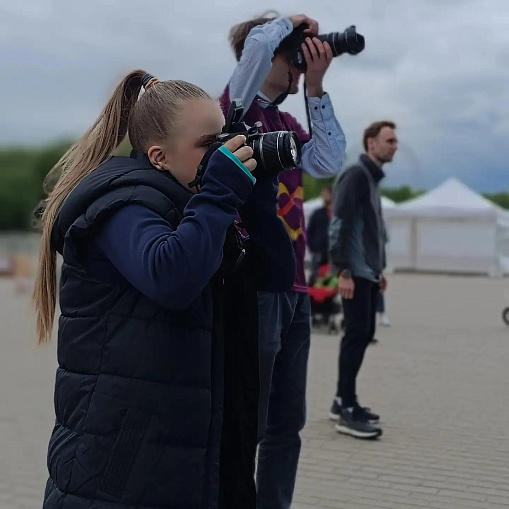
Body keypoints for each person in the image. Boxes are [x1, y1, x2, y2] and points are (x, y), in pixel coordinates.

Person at [33, 70, 296, 509]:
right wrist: (218, 195)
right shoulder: (121, 205)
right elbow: (172, 278)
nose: (225, 155)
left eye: (226, 140)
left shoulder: (195, 206)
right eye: (209, 146)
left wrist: (257, 199)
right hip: (119, 470)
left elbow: (274, 277)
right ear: (158, 156)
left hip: (189, 454)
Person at [221, 12, 346, 509]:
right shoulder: (234, 109)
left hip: (292, 289)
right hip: (253, 287)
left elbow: (327, 161)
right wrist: (287, 23)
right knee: (247, 418)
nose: (300, 61)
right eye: (294, 53)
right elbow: (253, 49)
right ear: (266, 54)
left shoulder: (287, 122)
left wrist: (315, 85)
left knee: (285, 425)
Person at [329, 120, 398, 439]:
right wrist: (343, 269)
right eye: (389, 140)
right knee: (356, 335)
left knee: (363, 332)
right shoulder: (356, 175)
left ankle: (342, 400)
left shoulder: (371, 178)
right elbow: (339, 222)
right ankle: (345, 407)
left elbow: (371, 230)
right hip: (353, 272)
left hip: (367, 272)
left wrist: (378, 269)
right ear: (371, 143)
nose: (395, 145)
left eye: (395, 141)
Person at [307, 185, 333, 285]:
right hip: (318, 253)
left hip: (333, 254)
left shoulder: (338, 213)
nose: (323, 197)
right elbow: (310, 231)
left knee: (331, 282)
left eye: (326, 194)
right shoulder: (318, 213)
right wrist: (313, 247)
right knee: (315, 280)